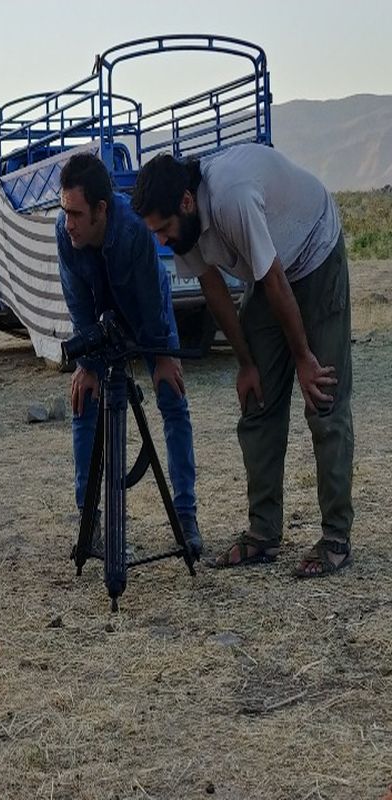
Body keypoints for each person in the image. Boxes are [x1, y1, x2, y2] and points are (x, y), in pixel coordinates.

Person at [132, 145, 352, 577]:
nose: (161, 240)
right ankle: (264, 533)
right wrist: (246, 363)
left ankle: (336, 537)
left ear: (187, 202)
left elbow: (274, 278)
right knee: (258, 399)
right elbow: (213, 288)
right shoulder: (184, 226)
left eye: (164, 229)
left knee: (322, 398)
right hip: (270, 273)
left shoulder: (232, 196)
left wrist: (303, 356)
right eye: (154, 232)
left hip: (314, 250)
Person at [55, 153, 201, 556]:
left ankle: (185, 517)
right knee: (84, 401)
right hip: (100, 320)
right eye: (64, 210)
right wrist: (87, 364)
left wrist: (161, 354)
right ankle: (91, 523)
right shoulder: (64, 232)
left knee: (172, 398)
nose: (68, 223)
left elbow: (153, 297)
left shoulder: (134, 230)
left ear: (101, 210)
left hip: (146, 314)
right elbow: (76, 298)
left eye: (77, 214)